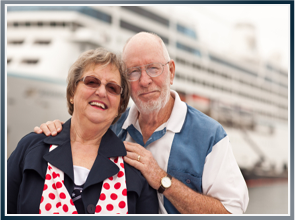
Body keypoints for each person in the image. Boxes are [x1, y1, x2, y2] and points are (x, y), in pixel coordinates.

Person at [34, 32, 249, 214]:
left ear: (171, 72)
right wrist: (59, 130)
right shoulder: (113, 126)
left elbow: (232, 213)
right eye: (134, 72)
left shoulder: (209, 135)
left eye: (154, 68)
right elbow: (80, 137)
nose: (145, 81)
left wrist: (163, 181)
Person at [7, 47, 158, 214]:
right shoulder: (31, 148)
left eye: (112, 88)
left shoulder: (134, 170)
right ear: (72, 92)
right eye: (92, 82)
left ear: (120, 106)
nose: (101, 92)